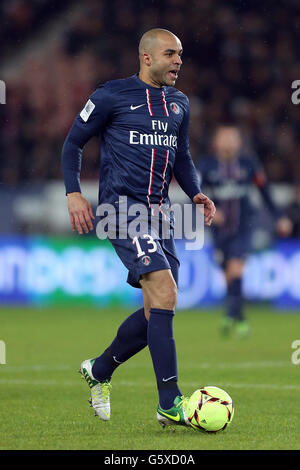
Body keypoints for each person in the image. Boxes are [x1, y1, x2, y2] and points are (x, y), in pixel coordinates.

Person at [61, 28, 215, 428]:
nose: (179, 60)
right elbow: (73, 143)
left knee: (158, 309)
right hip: (122, 211)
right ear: (147, 58)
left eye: (181, 54)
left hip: (161, 214)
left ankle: (99, 369)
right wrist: (74, 194)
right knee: (165, 291)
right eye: (171, 53)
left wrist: (196, 192)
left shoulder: (180, 104)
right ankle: (170, 401)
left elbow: (181, 155)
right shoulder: (110, 96)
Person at [197, 124, 292, 338]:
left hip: (244, 226)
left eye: (233, 138)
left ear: (239, 142)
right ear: (216, 142)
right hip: (219, 229)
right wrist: (208, 209)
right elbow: (194, 194)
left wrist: (280, 217)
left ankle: (232, 315)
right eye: (225, 137)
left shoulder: (249, 164)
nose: (229, 141)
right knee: (228, 273)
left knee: (236, 267)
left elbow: (265, 191)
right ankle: (237, 316)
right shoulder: (206, 166)